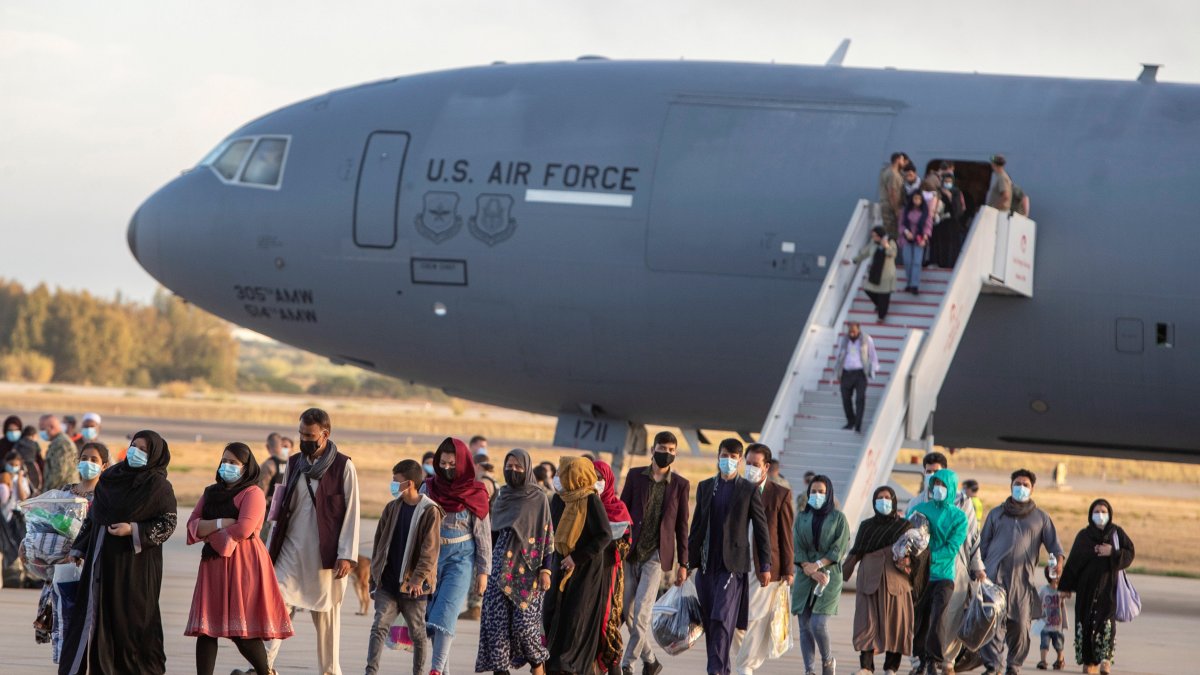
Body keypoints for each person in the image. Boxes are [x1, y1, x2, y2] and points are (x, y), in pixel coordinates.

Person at [59, 430, 178, 675]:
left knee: (131, 620)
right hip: (101, 559)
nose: (136, 452)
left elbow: (167, 523)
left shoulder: (159, 486)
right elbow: (94, 516)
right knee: (96, 616)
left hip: (135, 566)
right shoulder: (112, 477)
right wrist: (79, 547)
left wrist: (133, 529)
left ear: (155, 454)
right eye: (134, 446)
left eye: (144, 449)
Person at [265, 408, 362, 675]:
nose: (303, 438)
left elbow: (352, 512)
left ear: (325, 434)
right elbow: (280, 506)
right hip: (291, 551)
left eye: (309, 434)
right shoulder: (294, 463)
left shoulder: (344, 466)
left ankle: (330, 671)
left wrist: (346, 554)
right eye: (301, 433)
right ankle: (264, 666)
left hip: (325, 556)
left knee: (327, 618)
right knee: (277, 605)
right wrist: (269, 547)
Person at [187, 442, 294, 675]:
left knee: (241, 629)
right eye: (224, 461)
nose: (227, 466)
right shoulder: (210, 493)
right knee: (207, 629)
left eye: (233, 463)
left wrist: (212, 535)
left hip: (244, 563)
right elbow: (192, 526)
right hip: (213, 565)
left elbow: (245, 529)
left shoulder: (252, 493)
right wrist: (221, 523)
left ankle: (265, 672)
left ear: (246, 467)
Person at [688, 439, 772, 675]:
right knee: (710, 622)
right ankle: (721, 669)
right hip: (706, 566)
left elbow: (762, 530)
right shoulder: (705, 487)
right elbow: (695, 528)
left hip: (732, 567)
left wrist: (765, 564)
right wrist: (685, 563)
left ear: (739, 459)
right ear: (718, 456)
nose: (729, 460)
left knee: (721, 620)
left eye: (734, 457)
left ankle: (715, 671)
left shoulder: (748, 489)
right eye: (725, 455)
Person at [905, 454, 985, 675]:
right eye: (929, 474)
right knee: (920, 619)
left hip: (953, 568)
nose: (934, 480)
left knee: (948, 617)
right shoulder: (917, 504)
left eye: (938, 475)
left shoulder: (963, 505)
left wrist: (977, 566)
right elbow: (907, 535)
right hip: (921, 573)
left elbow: (972, 537)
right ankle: (918, 662)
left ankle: (946, 661)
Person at [979, 469, 1065, 675]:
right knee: (992, 624)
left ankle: (1014, 665)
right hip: (994, 580)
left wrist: (1058, 564)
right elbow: (982, 546)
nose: (1021, 488)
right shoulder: (996, 513)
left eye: (1026, 484)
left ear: (1032, 489)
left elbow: (1056, 548)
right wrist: (977, 572)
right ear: (1011, 486)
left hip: (1022, 582)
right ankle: (993, 666)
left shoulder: (1040, 518)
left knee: (1019, 626)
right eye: (1017, 483)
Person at [619, 430, 691, 675]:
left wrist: (684, 563)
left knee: (641, 613)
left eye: (671, 451)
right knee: (625, 612)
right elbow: (622, 512)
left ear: (676, 453)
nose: (666, 454)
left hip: (655, 557)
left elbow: (682, 526)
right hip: (630, 554)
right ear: (653, 450)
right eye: (662, 449)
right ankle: (650, 660)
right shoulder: (635, 476)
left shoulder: (680, 485)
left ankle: (628, 664)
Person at [475, 449, 552, 675]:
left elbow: (547, 536)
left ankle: (538, 666)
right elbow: (492, 535)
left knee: (525, 627)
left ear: (527, 468)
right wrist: (483, 569)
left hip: (528, 569)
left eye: (518, 467)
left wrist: (546, 570)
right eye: (509, 466)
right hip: (499, 567)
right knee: (496, 627)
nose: (513, 470)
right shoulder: (502, 496)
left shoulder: (538, 498)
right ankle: (501, 670)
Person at [34, 441, 111, 661]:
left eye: (94, 460)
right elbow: (46, 524)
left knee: (87, 629)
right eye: (84, 458)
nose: (87, 463)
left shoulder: (105, 497)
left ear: (104, 466)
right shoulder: (65, 492)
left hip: (88, 571)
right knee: (61, 627)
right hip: (60, 570)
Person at [366, 460, 443, 675]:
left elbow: (430, 550)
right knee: (379, 626)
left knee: (418, 633)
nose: (392, 484)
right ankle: (370, 671)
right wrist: (374, 579)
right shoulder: (392, 508)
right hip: (388, 583)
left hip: (413, 587)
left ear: (409, 483)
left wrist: (417, 579)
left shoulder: (430, 511)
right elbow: (379, 544)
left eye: (395, 480)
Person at [424, 437, 492, 675]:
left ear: (462, 463)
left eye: (452, 463)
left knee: (447, 613)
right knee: (432, 619)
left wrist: (483, 573)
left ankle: (434, 669)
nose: (446, 468)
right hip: (430, 561)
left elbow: (483, 536)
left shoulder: (476, 493)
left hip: (461, 561)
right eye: (442, 463)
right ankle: (443, 670)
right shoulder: (428, 488)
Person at [544, 457, 612, 675]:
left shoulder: (590, 500)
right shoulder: (559, 499)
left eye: (563, 473)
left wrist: (577, 557)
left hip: (585, 569)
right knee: (552, 612)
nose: (558, 478)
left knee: (575, 617)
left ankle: (569, 665)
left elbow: (604, 536)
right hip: (560, 565)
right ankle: (552, 662)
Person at [733, 443, 794, 675]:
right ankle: (744, 665)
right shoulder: (736, 491)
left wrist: (788, 571)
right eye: (747, 464)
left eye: (755, 465)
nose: (750, 469)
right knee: (736, 622)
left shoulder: (780, 494)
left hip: (767, 569)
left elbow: (786, 535)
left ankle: (744, 668)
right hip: (737, 565)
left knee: (755, 618)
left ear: (766, 467)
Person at [1057, 499, 1135, 675]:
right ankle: (1089, 661)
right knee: (1086, 625)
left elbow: (1130, 553)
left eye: (1104, 511)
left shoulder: (1116, 533)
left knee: (1107, 625)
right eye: (1097, 511)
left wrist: (1112, 553)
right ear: (1091, 514)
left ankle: (1105, 661)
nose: (1100, 515)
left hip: (1108, 589)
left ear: (1110, 514)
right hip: (1086, 591)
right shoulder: (1084, 536)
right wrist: (1065, 587)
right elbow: (1073, 562)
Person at [843, 486, 914, 675]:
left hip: (896, 581)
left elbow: (916, 557)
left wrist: (907, 561)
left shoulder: (905, 526)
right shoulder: (867, 526)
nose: (883, 501)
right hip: (869, 580)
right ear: (874, 502)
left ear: (894, 500)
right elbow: (857, 551)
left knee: (896, 624)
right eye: (879, 498)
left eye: (887, 497)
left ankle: (891, 667)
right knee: (866, 623)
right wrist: (842, 573)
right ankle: (866, 667)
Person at [791, 475, 850, 675]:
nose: (817, 495)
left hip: (829, 576)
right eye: (813, 492)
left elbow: (839, 548)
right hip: (804, 576)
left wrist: (817, 566)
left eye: (821, 492)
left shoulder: (839, 518)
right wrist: (808, 569)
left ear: (829, 494)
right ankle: (809, 670)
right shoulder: (802, 517)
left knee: (818, 624)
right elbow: (797, 546)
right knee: (804, 626)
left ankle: (827, 660)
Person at [594, 460, 633, 675]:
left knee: (607, 622)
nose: (596, 483)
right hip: (586, 575)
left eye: (600, 479)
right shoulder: (582, 506)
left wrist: (599, 546)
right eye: (592, 478)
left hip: (609, 574)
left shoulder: (617, 508)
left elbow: (624, 545)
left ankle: (614, 666)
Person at [835, 322, 880, 433]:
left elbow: (873, 355)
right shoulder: (844, 340)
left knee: (860, 399)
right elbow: (839, 356)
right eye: (850, 331)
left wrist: (873, 369)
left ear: (858, 330)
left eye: (854, 331)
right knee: (846, 399)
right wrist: (838, 372)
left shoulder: (866, 339)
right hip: (846, 372)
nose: (852, 333)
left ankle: (858, 425)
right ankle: (851, 421)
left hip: (860, 373)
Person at [852, 226, 898, 321]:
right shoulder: (873, 243)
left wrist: (886, 246)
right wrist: (854, 260)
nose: (873, 238)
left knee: (884, 296)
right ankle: (879, 306)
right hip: (875, 273)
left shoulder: (890, 241)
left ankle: (881, 316)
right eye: (872, 236)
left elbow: (893, 254)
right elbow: (866, 253)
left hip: (886, 275)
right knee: (868, 289)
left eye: (875, 236)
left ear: (880, 235)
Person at [930, 169, 966, 268]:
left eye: (949, 182)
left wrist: (950, 198)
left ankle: (951, 264)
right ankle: (938, 262)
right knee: (940, 244)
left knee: (952, 246)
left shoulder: (956, 192)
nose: (947, 184)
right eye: (946, 181)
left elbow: (958, 210)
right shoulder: (938, 192)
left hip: (952, 223)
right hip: (940, 223)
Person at [1035, 564, 1067, 671]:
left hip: (1057, 625)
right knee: (1044, 643)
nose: (1056, 577)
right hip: (1045, 624)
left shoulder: (1061, 590)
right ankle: (1043, 661)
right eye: (1054, 575)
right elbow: (1037, 601)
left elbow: (1067, 594)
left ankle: (1060, 659)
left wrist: (1065, 593)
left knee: (1058, 645)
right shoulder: (1044, 590)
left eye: (1057, 574)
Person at [899, 191, 932, 295]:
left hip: (919, 238)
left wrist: (925, 237)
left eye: (919, 199)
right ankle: (909, 283)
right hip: (906, 238)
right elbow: (900, 224)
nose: (917, 201)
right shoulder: (905, 211)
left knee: (917, 262)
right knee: (908, 261)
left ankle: (914, 285)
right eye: (915, 198)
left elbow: (928, 226)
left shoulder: (925, 212)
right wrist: (906, 232)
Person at [2, 415, 43, 490]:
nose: (13, 433)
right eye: (10, 430)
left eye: (16, 429)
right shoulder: (2, 444)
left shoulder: (22, 442)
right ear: (5, 430)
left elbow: (40, 461)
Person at [40, 414, 78, 491]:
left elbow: (58, 473)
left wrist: (45, 493)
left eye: (42, 429)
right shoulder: (57, 442)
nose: (41, 432)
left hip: (64, 494)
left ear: (51, 427)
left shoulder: (61, 444)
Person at [878, 152, 908, 241]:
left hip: (886, 205)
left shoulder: (886, 171)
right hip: (891, 208)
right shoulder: (893, 175)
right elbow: (892, 193)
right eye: (902, 160)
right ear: (898, 160)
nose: (903, 162)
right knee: (893, 234)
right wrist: (896, 210)